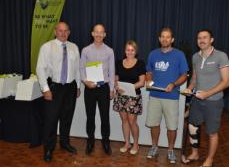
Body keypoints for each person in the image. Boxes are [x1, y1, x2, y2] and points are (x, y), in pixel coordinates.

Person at [181, 29, 229, 167]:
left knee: (212, 132)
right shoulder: (195, 57)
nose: (201, 40)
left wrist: (207, 93)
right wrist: (189, 88)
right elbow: (195, 79)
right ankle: (195, 153)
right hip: (197, 100)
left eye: (205, 37)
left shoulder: (221, 56)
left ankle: (210, 159)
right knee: (192, 127)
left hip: (214, 102)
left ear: (211, 40)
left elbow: (227, 81)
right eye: (199, 38)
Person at [36, 22, 81, 162]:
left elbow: (77, 69)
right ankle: (49, 148)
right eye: (60, 31)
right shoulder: (47, 47)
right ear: (55, 32)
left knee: (67, 118)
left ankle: (64, 143)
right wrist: (45, 89)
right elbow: (40, 69)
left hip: (70, 87)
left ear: (69, 32)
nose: (63, 33)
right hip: (54, 87)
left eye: (66, 31)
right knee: (51, 120)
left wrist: (78, 86)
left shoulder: (74, 47)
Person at [145, 27, 189, 164]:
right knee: (154, 124)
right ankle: (154, 147)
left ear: (172, 39)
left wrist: (174, 84)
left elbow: (184, 75)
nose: (165, 39)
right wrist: (149, 79)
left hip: (171, 97)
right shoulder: (153, 54)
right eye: (162, 37)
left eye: (168, 37)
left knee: (172, 126)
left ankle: (170, 150)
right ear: (159, 39)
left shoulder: (179, 55)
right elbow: (149, 70)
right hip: (155, 95)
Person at [80, 24, 115, 155]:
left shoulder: (109, 51)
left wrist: (111, 89)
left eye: (101, 33)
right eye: (96, 32)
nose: (99, 35)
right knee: (90, 117)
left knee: (105, 117)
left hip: (103, 88)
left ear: (105, 35)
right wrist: (85, 81)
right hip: (90, 88)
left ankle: (106, 142)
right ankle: (90, 141)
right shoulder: (85, 50)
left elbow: (112, 71)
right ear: (92, 34)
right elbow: (81, 68)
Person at [113, 40, 146, 155]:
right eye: (128, 50)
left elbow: (142, 82)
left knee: (132, 122)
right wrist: (117, 86)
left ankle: (136, 144)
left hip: (133, 97)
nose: (130, 52)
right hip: (121, 96)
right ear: (125, 51)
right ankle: (127, 143)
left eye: (132, 50)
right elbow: (115, 79)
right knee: (124, 121)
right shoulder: (118, 63)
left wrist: (130, 88)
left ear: (135, 51)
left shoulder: (140, 63)